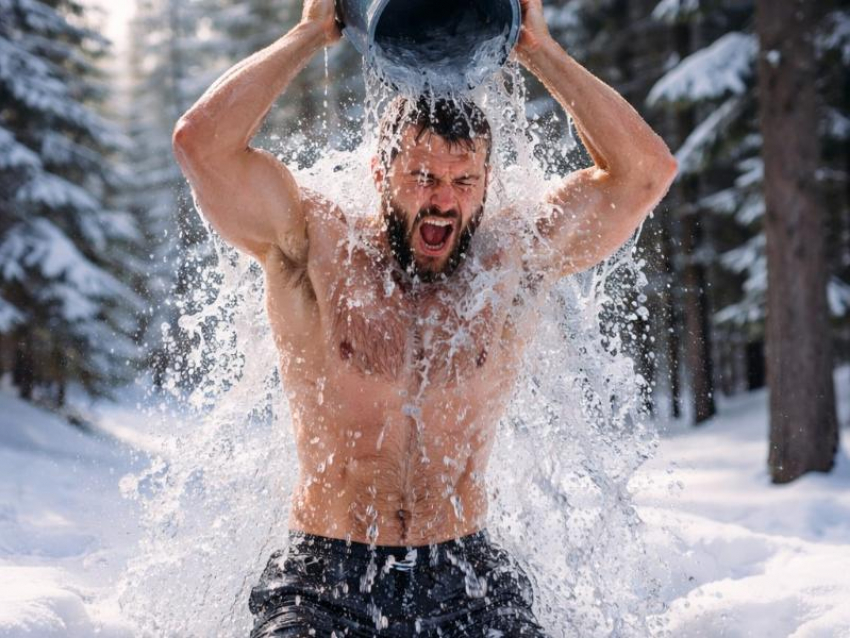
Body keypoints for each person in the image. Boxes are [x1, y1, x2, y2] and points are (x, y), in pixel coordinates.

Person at [172, 0, 677, 634]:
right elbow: (201, 147)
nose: (443, 199)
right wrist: (308, 35)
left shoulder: (509, 259)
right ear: (380, 171)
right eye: (422, 175)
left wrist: (539, 50)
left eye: (464, 182)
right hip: (326, 579)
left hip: (464, 577)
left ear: (487, 182)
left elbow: (645, 174)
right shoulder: (318, 245)